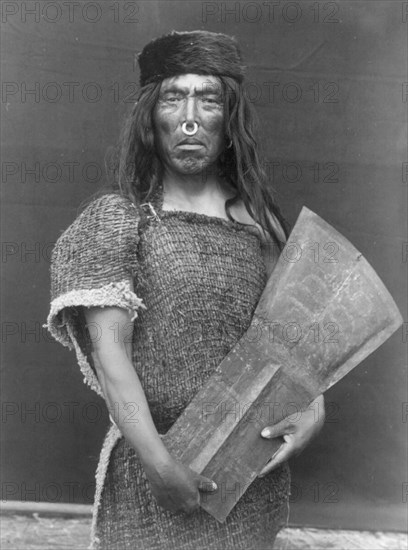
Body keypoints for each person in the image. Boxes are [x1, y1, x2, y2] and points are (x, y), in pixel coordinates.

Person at [47, 30, 325, 550]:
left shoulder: (258, 220)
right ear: (152, 116)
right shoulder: (119, 221)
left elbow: (290, 331)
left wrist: (312, 404)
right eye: (174, 98)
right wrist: (157, 463)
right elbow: (113, 362)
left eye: (209, 99)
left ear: (230, 118)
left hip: (246, 472)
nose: (191, 118)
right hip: (153, 467)